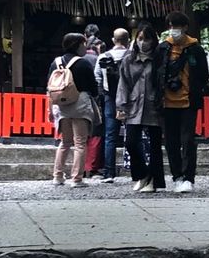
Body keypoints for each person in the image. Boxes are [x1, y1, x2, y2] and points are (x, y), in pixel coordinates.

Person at [157, 10, 209, 193]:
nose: (174, 30)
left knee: (188, 140)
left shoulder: (195, 48)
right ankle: (176, 176)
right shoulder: (163, 48)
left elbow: (203, 75)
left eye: (177, 26)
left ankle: (188, 177)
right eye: (171, 26)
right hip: (167, 102)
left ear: (185, 27)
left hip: (188, 101)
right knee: (170, 142)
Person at [115, 21, 166, 193]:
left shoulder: (159, 60)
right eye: (140, 38)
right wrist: (121, 105)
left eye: (147, 39)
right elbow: (123, 83)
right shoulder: (128, 60)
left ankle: (153, 180)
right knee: (130, 142)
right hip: (134, 104)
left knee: (154, 146)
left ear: (153, 40)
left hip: (154, 105)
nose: (143, 42)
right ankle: (142, 174)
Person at [47, 32, 99, 188]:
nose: (85, 47)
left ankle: (58, 176)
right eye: (83, 44)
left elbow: (49, 87)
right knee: (80, 143)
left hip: (61, 105)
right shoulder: (83, 64)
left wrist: (50, 108)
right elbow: (93, 88)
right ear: (77, 45)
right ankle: (76, 178)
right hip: (80, 105)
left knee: (65, 142)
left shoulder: (55, 63)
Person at [95, 27, 130, 183]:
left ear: (113, 40)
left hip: (110, 97)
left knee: (110, 136)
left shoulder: (103, 57)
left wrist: (103, 93)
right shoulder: (132, 56)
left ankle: (109, 173)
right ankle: (135, 169)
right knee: (133, 133)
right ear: (128, 40)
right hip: (130, 98)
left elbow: (97, 79)